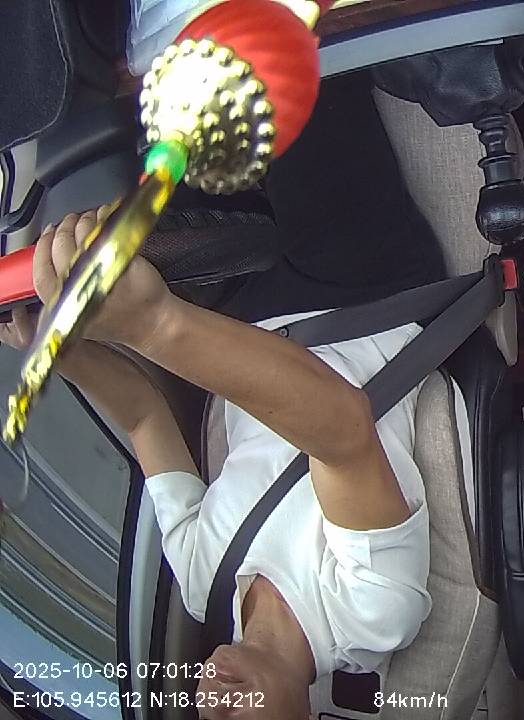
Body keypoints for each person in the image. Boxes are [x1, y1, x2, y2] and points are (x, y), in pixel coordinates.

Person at [0, 73, 446, 719]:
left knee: (178, 90)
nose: (215, 709)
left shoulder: (201, 582)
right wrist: (154, 326)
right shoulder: (371, 616)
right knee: (274, 74)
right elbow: (341, 433)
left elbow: (145, 418)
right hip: (363, 302)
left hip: (241, 308)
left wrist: (61, 349)